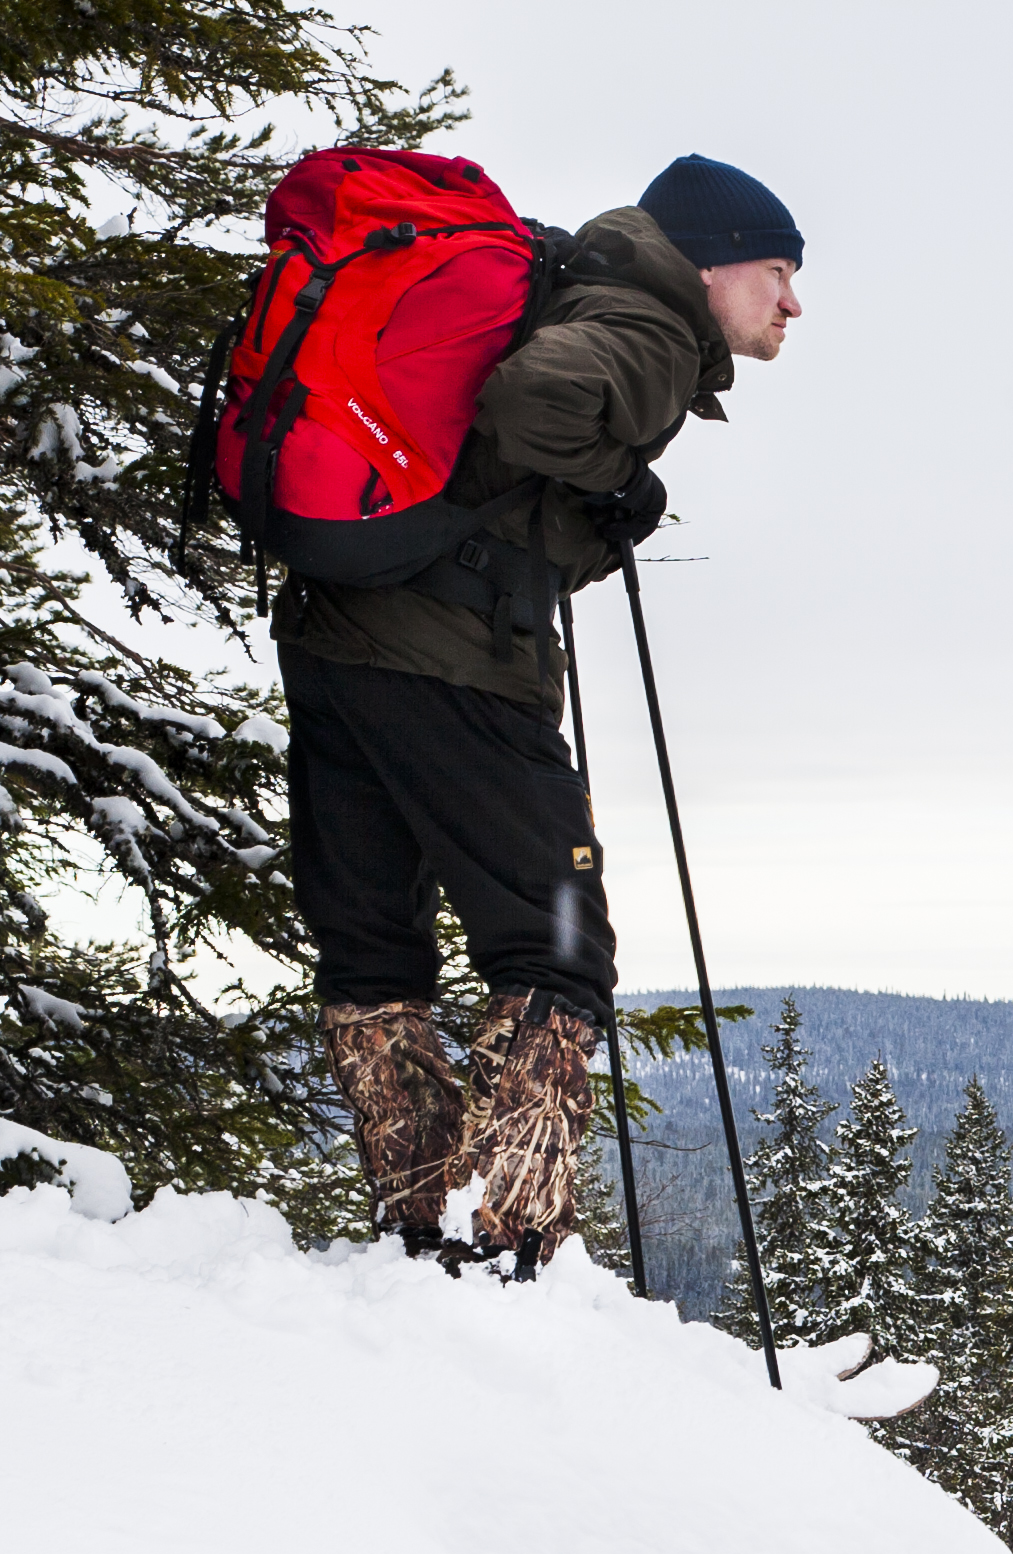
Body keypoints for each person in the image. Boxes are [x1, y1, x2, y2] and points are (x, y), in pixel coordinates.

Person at [289, 155, 807, 1274]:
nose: (792, 304)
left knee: (375, 949)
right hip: (459, 655)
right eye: (779, 273)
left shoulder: (577, 286)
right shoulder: (649, 324)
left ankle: (417, 1233)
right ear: (715, 266)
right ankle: (513, 1244)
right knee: (556, 947)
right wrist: (616, 476)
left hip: (340, 638)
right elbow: (537, 403)